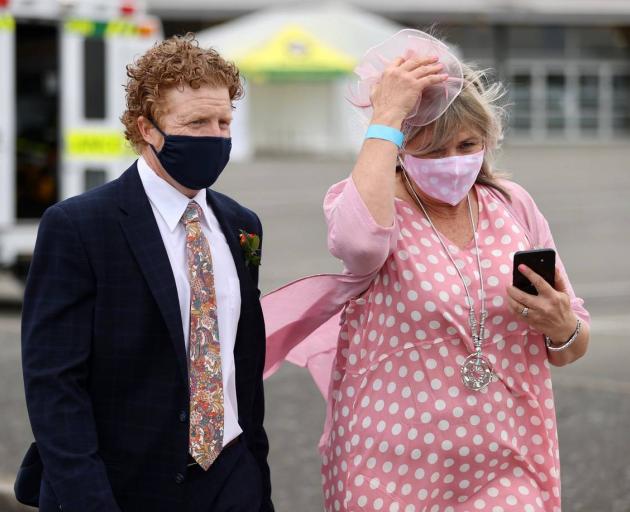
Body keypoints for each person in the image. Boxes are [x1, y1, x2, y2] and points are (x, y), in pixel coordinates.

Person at [263, 30, 589, 511]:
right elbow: (356, 243)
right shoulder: (372, 203)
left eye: (467, 144)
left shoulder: (511, 205)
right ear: (400, 147)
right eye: (433, 151)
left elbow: (570, 348)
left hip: (508, 461)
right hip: (391, 471)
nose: (454, 162)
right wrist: (386, 116)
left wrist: (563, 327)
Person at [16, 34, 273, 512]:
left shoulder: (242, 225)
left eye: (223, 122)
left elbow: (245, 365)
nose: (215, 136)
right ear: (147, 128)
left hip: (232, 478)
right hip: (125, 485)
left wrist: (257, 482)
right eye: (196, 122)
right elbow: (54, 383)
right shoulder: (79, 225)